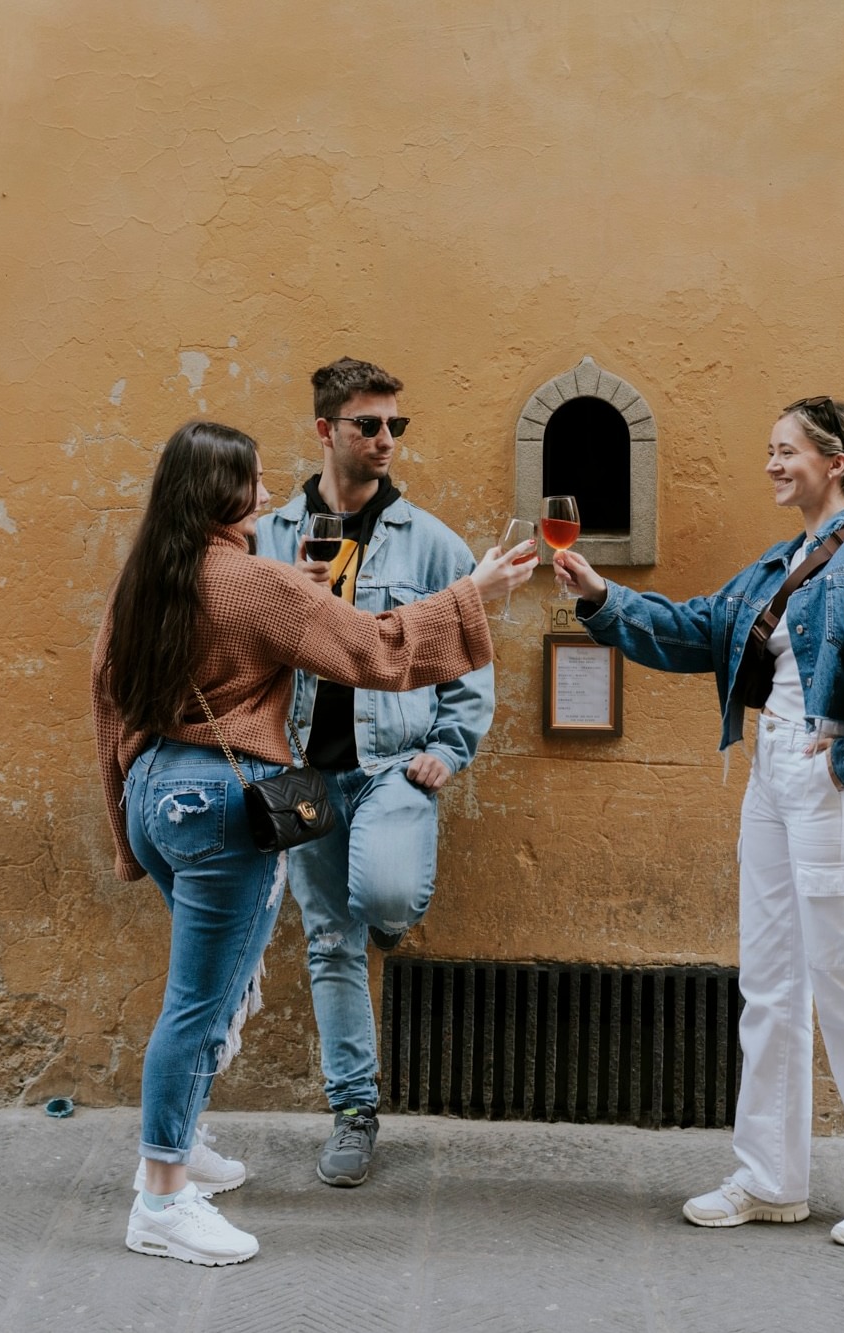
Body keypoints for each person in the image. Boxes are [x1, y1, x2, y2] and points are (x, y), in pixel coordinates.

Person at [91, 419, 535, 1266]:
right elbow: (376, 648)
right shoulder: (256, 583)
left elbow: (106, 697)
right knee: (197, 1001)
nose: (267, 491)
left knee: (208, 987)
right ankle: (161, 1193)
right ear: (221, 492)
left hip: (156, 792)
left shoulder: (147, 574)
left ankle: (183, 1140)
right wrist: (473, 591)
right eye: (252, 480)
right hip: (225, 806)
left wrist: (126, 824)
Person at [555, 396, 844, 1252]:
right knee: (770, 980)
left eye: (786, 450)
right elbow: (698, 627)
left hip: (823, 779)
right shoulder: (781, 561)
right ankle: (772, 1176)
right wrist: (601, 595)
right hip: (770, 779)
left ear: (834, 461)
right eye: (767, 449)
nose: (771, 463)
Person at [254, 356, 494, 1188]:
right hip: (302, 776)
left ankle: (386, 907)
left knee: (383, 899)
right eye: (369, 424)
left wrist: (452, 745)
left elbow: (468, 654)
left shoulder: (431, 542)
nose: (386, 438)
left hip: (394, 764)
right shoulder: (271, 536)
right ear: (326, 429)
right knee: (328, 941)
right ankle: (354, 1112)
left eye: (396, 424)